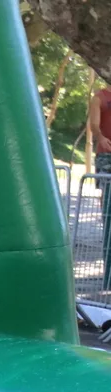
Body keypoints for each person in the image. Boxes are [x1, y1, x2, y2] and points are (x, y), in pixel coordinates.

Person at [90, 86, 111, 289]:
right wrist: (101, 137)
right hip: (107, 157)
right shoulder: (100, 97)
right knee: (109, 212)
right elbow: (94, 125)